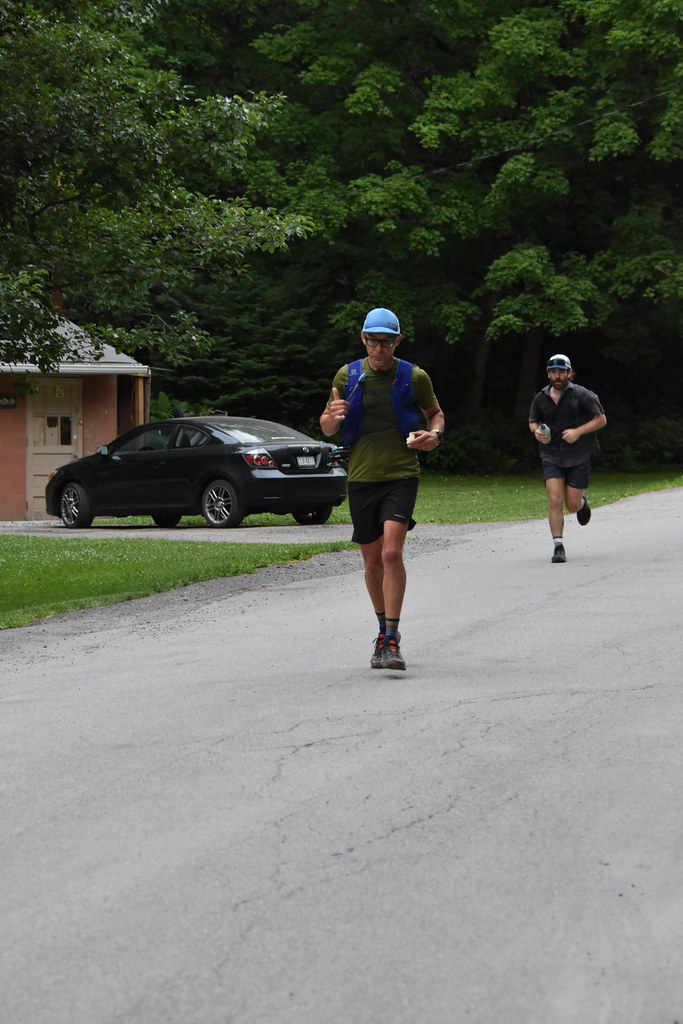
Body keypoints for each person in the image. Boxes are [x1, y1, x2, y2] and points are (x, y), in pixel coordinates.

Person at [320, 306, 444, 670]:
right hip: (361, 477)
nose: (379, 348)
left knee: (391, 553)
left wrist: (434, 435)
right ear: (363, 338)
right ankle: (382, 629)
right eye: (373, 341)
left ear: (397, 342)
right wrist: (331, 418)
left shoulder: (414, 376)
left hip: (402, 474)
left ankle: (391, 638)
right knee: (372, 561)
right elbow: (328, 425)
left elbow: (435, 414)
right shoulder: (348, 375)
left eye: (387, 342)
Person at [528, 353, 607, 563]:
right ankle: (558, 547)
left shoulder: (582, 395)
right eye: (553, 372)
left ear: (569, 373)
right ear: (548, 374)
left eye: (561, 372)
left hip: (579, 455)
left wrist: (578, 431)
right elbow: (533, 421)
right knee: (555, 499)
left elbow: (601, 419)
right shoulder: (540, 398)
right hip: (551, 455)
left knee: (571, 505)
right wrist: (536, 432)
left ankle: (582, 503)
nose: (557, 376)